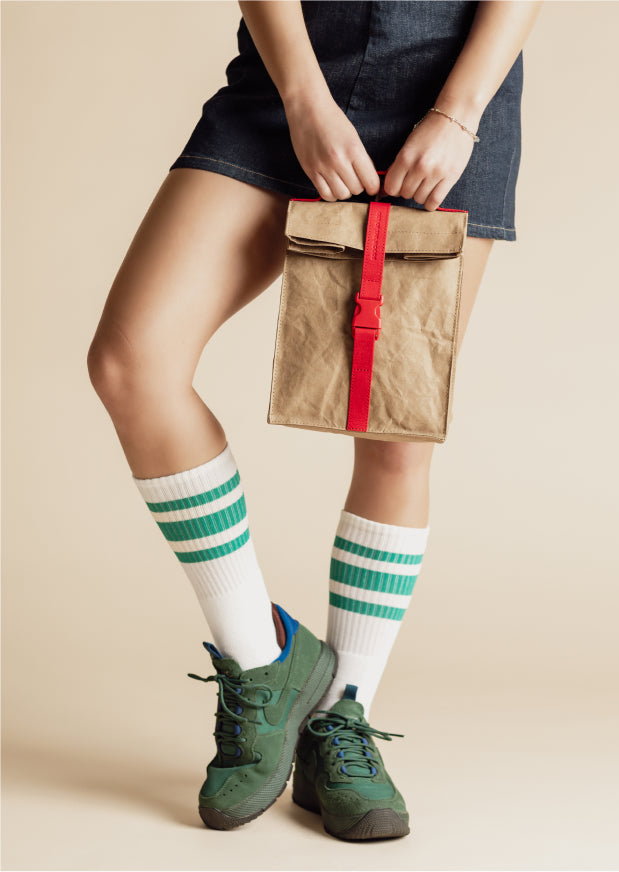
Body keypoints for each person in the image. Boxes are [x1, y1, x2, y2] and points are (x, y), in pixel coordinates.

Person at [87, 0, 543, 842]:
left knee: (396, 432)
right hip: (288, 78)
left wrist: (459, 114)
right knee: (132, 363)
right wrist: (302, 100)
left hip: (447, 98)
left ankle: (342, 715)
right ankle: (262, 656)